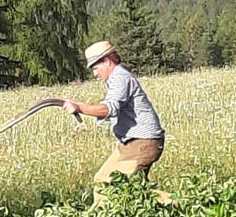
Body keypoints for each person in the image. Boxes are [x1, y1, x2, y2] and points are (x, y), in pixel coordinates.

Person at [61, 40, 168, 201]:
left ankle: (179, 204)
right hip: (130, 143)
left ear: (107, 61)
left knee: (126, 189)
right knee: (102, 182)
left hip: (143, 142)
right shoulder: (115, 79)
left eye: (96, 68)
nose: (95, 74)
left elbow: (108, 109)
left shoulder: (120, 78)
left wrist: (79, 108)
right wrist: (79, 106)